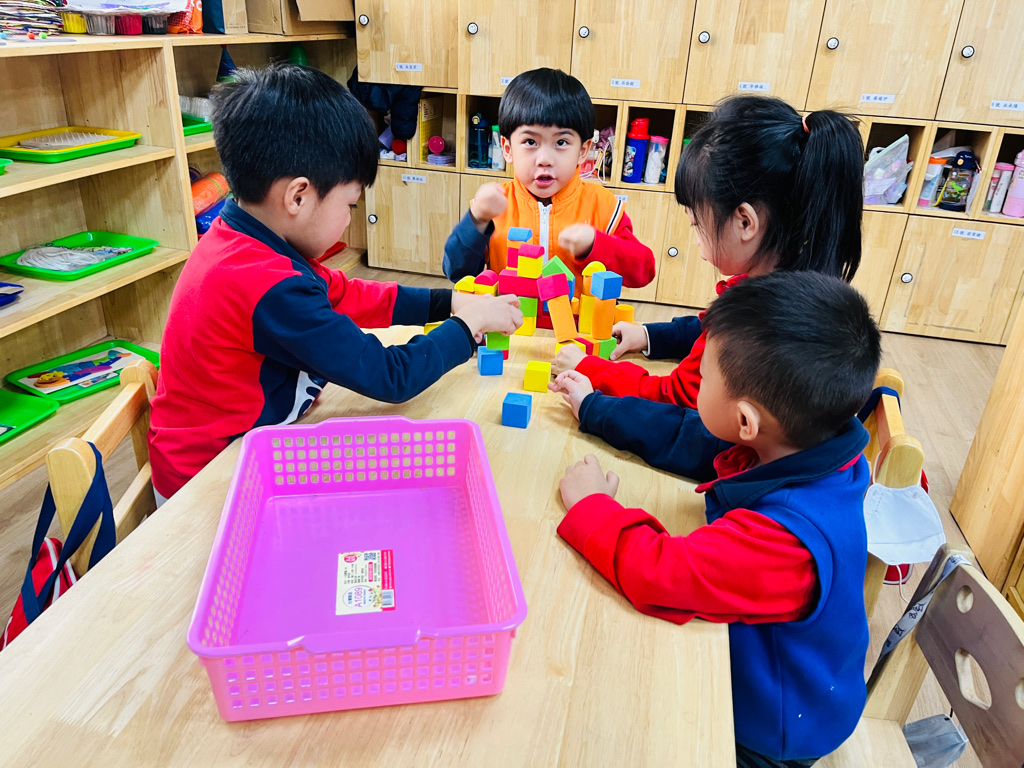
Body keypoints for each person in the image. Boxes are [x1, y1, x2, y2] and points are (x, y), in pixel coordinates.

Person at [148, 64, 522, 501]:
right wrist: (467, 327)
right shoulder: (266, 284)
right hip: (207, 483)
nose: (349, 219)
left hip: (241, 447)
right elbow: (390, 376)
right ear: (298, 196)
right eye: (349, 204)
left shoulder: (248, 239)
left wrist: (449, 303)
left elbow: (345, 293)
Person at [555, 272, 882, 766]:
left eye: (703, 378)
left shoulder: (784, 540)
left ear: (746, 422)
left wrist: (592, 506)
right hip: (783, 681)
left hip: (769, 735)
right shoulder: (818, 447)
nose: (696, 384)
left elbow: (661, 573)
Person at [550, 96, 864, 478]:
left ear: (745, 222)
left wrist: (592, 385)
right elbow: (706, 326)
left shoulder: (758, 330)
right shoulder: (791, 287)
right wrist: (649, 336)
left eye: (697, 224)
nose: (696, 238)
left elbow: (680, 405)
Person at [443, 68, 655, 296]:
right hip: (510, 318)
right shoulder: (494, 206)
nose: (544, 159)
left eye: (561, 142)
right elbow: (457, 272)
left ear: (583, 151)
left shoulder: (603, 205)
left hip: (577, 319)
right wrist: (477, 219)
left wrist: (596, 244)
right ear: (507, 149)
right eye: (530, 141)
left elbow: (643, 271)